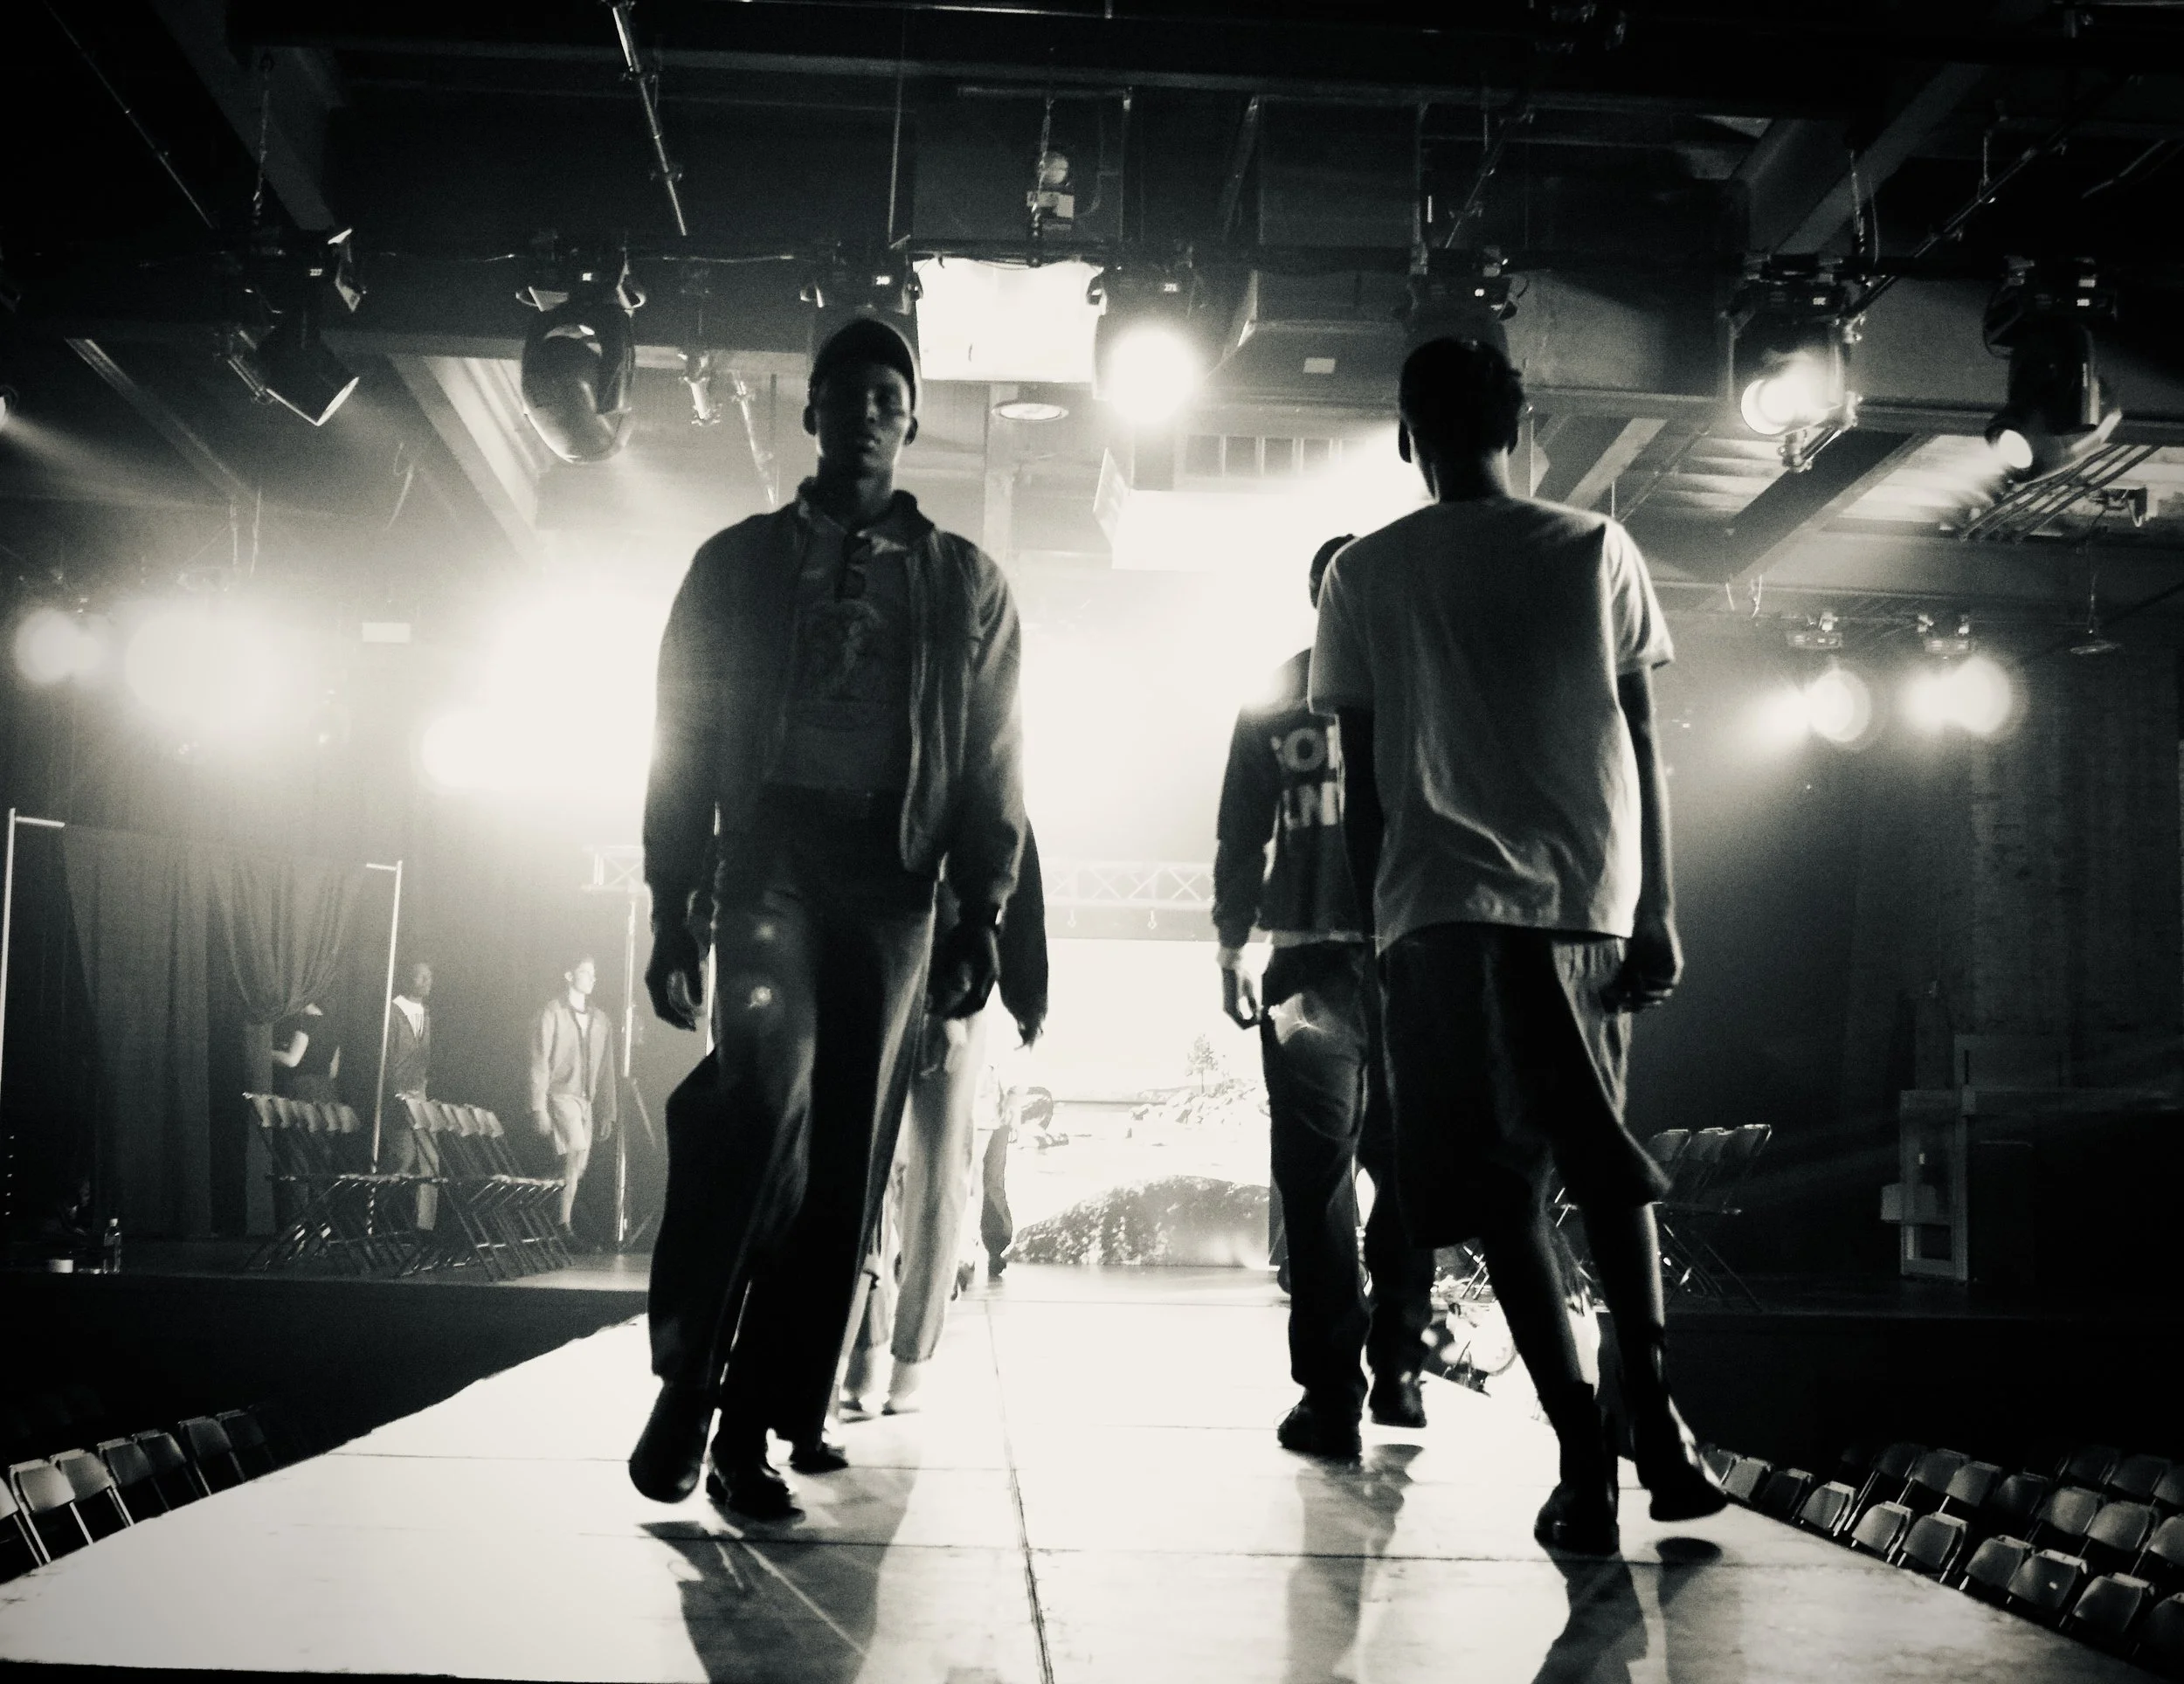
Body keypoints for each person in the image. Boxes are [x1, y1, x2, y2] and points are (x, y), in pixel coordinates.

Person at [1308, 335, 1724, 1556]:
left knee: (1503, 1199)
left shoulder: (1365, 574)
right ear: (1521, 422)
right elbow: (1645, 740)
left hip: (1438, 911)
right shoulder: (1594, 545)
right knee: (1606, 1168)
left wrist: (1382, 929)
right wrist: (1659, 904)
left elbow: (1367, 782)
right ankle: (1657, 1411)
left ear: (1405, 436)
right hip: (1590, 897)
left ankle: (1583, 1458)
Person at [632, 314, 1025, 1521]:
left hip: (894, 878)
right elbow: (680, 732)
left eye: (886, 398)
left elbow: (996, 755)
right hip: (772, 861)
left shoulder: (964, 581)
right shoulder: (738, 563)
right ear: (807, 415)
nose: (864, 413)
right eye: (843, 395)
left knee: (845, 1157)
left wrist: (980, 912)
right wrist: (668, 900)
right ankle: (686, 1384)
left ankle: (750, 1427)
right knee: (762, 1109)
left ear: (911, 423)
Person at [1214, 535, 1438, 1462]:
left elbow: (1240, 833)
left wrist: (1230, 942)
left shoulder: (1285, 691)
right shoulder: (1421, 688)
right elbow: (1240, 828)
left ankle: (1350, 1386)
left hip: (1337, 967)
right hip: (1372, 965)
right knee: (1373, 1174)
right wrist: (1230, 939)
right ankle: (1383, 1373)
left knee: (1338, 1180)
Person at [842, 826, 1048, 1416]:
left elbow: (1017, 876)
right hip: (877, 971)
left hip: (952, 980)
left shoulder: (977, 763)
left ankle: (907, 1355)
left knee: (937, 1175)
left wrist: (1001, 995)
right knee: (871, 1169)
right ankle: (871, 1346)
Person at [529, 956, 619, 1237]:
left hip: (585, 1101)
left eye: (594, 973)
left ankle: (538, 1207)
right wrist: (538, 1106)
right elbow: (539, 1059)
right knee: (576, 1150)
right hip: (560, 1095)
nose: (592, 978)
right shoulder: (552, 1012)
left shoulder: (601, 1019)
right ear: (569, 975)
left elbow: (607, 1069)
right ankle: (563, 1225)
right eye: (585, 972)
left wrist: (608, 1111)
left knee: (576, 1168)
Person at [380, 961, 439, 1227]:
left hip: (420, 1092)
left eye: (430, 977)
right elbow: (384, 1057)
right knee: (401, 1157)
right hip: (397, 1093)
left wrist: (423, 1084)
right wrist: (394, 1090)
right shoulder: (392, 1011)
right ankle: (379, 1212)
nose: (427, 981)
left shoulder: (426, 1013)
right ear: (408, 978)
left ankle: (423, 1228)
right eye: (421, 976)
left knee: (430, 1157)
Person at [271, 1001, 341, 1103]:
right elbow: (334, 1069)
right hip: (324, 1087)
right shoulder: (331, 1024)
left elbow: (292, 1060)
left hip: (302, 1087)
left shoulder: (305, 1022)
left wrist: (263, 1053)